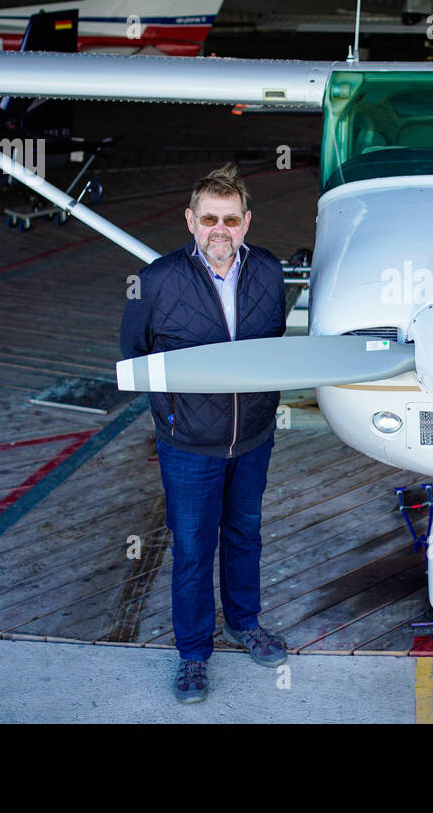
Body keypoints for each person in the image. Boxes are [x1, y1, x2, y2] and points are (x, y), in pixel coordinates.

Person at [119, 164, 288, 704]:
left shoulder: (267, 271)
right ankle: (194, 654)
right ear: (191, 221)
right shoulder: (157, 280)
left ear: (246, 223)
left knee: (245, 535)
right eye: (209, 218)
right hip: (189, 444)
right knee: (193, 548)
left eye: (231, 219)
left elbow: (276, 346)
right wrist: (171, 415)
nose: (221, 229)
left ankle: (245, 622)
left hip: (254, 437)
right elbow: (135, 355)